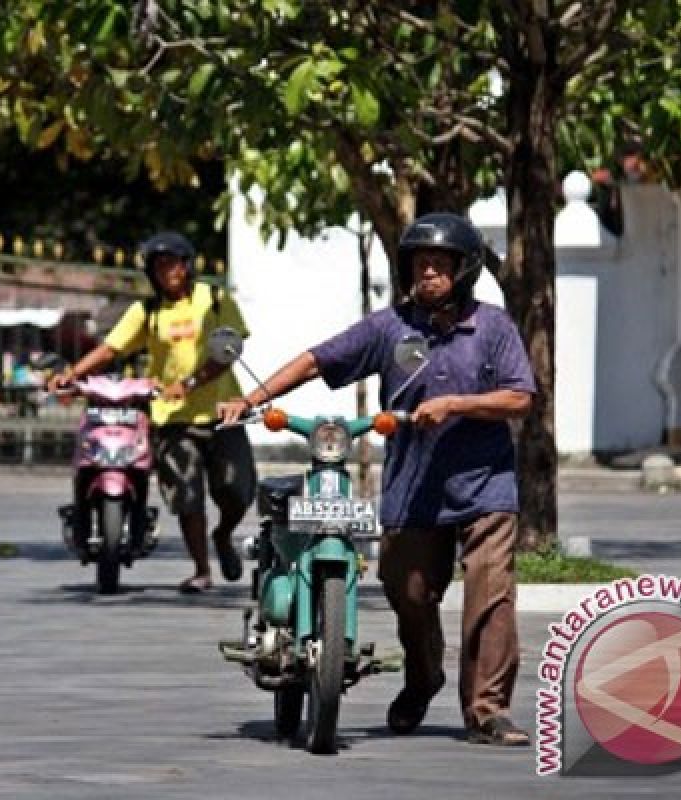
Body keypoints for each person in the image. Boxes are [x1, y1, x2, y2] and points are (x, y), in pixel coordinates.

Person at [217, 213, 535, 746]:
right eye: (419, 263)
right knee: (406, 590)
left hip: (485, 487)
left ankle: (488, 710)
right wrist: (253, 398)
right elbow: (318, 359)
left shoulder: (494, 327)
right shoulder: (390, 327)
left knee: (491, 595)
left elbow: (520, 398)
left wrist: (457, 404)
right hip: (413, 488)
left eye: (439, 264)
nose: (427, 273)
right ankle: (423, 676)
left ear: (465, 269)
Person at [49, 231, 256, 594]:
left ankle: (223, 534)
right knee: (187, 497)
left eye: (173, 264)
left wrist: (190, 383)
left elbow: (228, 351)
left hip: (223, 412)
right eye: (159, 267)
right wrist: (73, 373)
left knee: (236, 491)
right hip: (171, 418)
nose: (167, 272)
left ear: (187, 265)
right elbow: (112, 348)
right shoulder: (147, 311)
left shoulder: (216, 300)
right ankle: (201, 569)